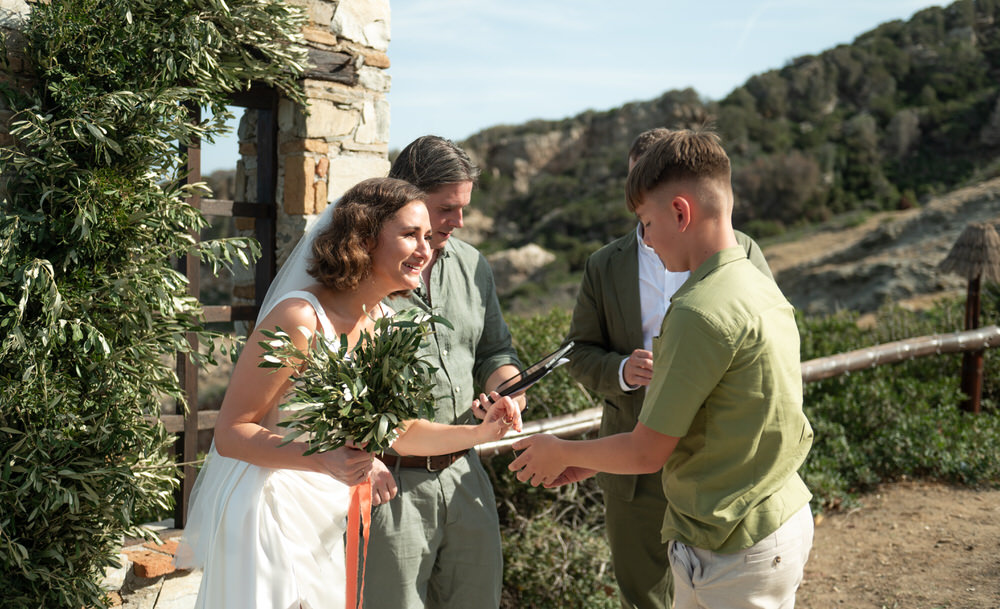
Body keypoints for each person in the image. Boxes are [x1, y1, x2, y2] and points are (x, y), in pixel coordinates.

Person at [174, 178, 522, 609]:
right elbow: (231, 433)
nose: (425, 249)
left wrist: (481, 433)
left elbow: (399, 431)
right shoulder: (299, 318)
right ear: (364, 239)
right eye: (410, 235)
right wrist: (323, 458)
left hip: (328, 517)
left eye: (428, 236)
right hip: (271, 512)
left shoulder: (383, 323)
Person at [511, 129, 814, 609]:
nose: (646, 239)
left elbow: (647, 452)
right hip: (772, 514)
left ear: (680, 212)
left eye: (647, 222)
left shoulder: (698, 309)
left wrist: (560, 451)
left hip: (731, 542)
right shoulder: (753, 283)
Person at [565, 128, 774, 609]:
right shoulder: (603, 264)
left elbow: (763, 341)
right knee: (643, 594)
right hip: (632, 462)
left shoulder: (740, 250)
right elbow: (578, 351)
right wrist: (621, 370)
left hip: (713, 460)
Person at [361, 135, 525, 609]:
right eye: (446, 208)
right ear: (405, 198)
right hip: (390, 484)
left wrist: (509, 393)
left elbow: (495, 352)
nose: (458, 221)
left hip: (467, 476)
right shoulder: (365, 272)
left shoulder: (473, 265)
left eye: (463, 208)